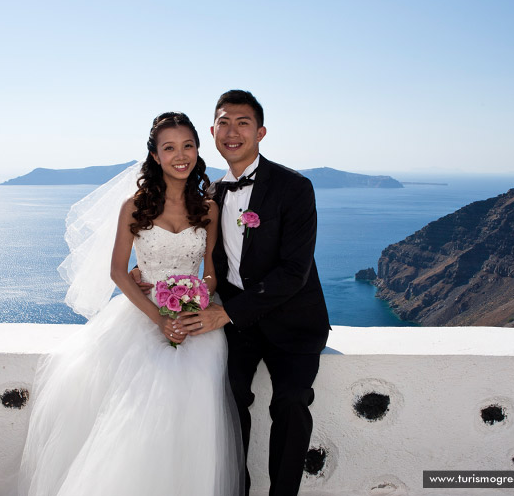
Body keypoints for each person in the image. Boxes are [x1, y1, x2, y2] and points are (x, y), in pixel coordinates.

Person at [18, 112, 243, 496]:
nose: (180, 155)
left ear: (197, 150)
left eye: (187, 145)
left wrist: (195, 301)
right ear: (155, 157)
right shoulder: (134, 207)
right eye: (169, 148)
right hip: (143, 315)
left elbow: (210, 271)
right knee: (138, 416)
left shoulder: (208, 208)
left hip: (193, 319)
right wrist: (159, 318)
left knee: (194, 414)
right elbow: (119, 272)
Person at [175, 90, 331, 496]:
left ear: (260, 132)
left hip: (294, 322)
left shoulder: (295, 187)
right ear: (212, 131)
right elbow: (193, 254)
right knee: (227, 405)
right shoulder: (208, 194)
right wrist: (149, 274)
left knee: (292, 403)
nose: (232, 132)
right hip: (240, 328)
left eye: (243, 123)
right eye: (224, 123)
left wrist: (225, 314)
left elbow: (295, 272)